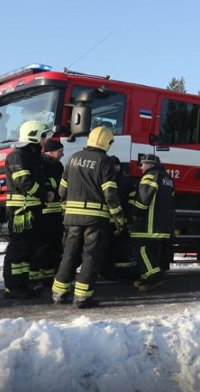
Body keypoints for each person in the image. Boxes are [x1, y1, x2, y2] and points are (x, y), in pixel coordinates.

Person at [51, 126, 126, 309]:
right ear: (106, 142)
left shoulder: (73, 158)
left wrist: (65, 209)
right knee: (90, 256)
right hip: (95, 220)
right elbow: (109, 193)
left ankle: (59, 293)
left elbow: (62, 189)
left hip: (72, 218)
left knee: (69, 253)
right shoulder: (105, 161)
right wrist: (119, 218)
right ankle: (83, 297)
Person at [3, 121, 54, 299]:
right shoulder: (17, 156)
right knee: (18, 250)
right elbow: (24, 183)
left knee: (28, 249)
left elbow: (40, 179)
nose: (45, 140)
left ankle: (22, 285)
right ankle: (13, 287)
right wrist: (43, 194)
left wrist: (48, 190)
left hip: (33, 210)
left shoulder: (33, 157)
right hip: (20, 211)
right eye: (43, 136)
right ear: (33, 135)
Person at [130, 154, 175, 292]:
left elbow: (143, 201)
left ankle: (154, 277)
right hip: (163, 225)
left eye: (142, 164)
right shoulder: (168, 178)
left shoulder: (150, 176)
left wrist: (133, 213)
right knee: (154, 254)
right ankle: (147, 276)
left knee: (141, 250)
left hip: (148, 225)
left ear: (149, 165)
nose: (141, 167)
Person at [32, 138, 65, 289]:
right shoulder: (40, 163)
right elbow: (46, 183)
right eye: (60, 151)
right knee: (42, 246)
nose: (62, 154)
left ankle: (49, 277)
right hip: (44, 212)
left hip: (56, 212)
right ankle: (36, 278)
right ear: (50, 152)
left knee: (55, 246)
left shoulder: (58, 165)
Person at [100, 155, 138, 282]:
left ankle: (121, 274)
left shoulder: (125, 181)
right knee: (108, 248)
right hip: (109, 220)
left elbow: (132, 199)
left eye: (115, 165)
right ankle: (109, 272)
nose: (114, 168)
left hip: (117, 220)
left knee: (121, 249)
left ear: (119, 166)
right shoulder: (106, 180)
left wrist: (126, 213)